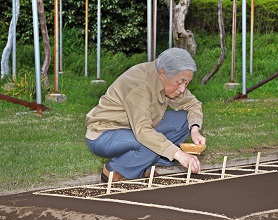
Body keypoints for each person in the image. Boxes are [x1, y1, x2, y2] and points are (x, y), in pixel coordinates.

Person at [85, 47, 206, 182]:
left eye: (186, 83)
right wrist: (178, 154)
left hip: (134, 129)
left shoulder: (166, 78)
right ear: (162, 73)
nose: (183, 89)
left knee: (184, 120)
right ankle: (115, 170)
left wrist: (195, 130)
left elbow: (193, 105)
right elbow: (143, 133)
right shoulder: (140, 85)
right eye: (180, 82)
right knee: (150, 142)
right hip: (104, 134)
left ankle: (143, 166)